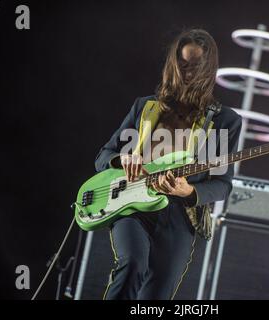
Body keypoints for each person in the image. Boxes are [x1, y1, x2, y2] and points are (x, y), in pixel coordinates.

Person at [94, 29, 242, 300]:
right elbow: (104, 155)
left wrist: (189, 192)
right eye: (182, 66)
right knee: (133, 263)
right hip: (132, 204)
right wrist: (122, 158)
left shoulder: (223, 122)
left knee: (156, 297)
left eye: (195, 67)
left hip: (179, 217)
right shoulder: (145, 107)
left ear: (209, 69)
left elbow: (222, 184)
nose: (187, 74)